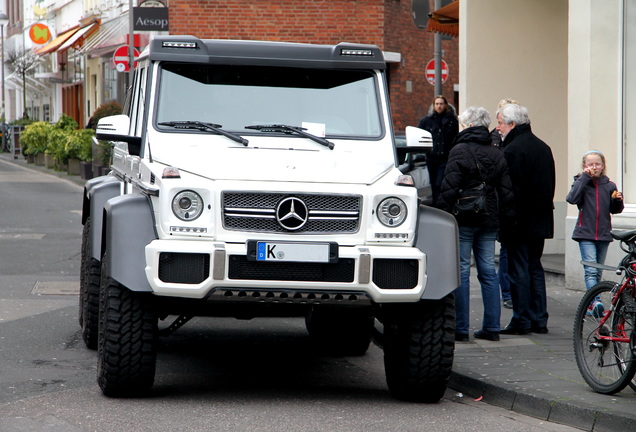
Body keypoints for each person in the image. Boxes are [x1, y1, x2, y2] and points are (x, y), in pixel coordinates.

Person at [437, 106, 514, 342]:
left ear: (468, 125)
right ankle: (492, 327)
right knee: (489, 272)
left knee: (461, 271)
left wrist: (439, 216)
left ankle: (461, 329)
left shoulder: (459, 150)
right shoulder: (496, 151)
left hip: (464, 218)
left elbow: (449, 187)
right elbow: (506, 191)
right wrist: (505, 220)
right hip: (489, 219)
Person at [497, 104, 555, 335]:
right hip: (540, 219)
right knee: (534, 268)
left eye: (500, 122)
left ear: (512, 124)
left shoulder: (512, 150)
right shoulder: (543, 147)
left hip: (519, 221)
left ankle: (521, 319)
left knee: (519, 270)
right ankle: (539, 319)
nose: (498, 127)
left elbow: (509, 192)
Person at [566, 150, 624, 314]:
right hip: (585, 234)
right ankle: (596, 301)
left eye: (597, 164)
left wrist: (617, 200)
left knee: (597, 272)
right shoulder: (581, 182)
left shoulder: (609, 185)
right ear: (585, 166)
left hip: (604, 234)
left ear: (603, 166)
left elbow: (615, 210)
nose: (594, 167)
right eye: (590, 164)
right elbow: (572, 199)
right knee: (590, 270)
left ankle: (592, 304)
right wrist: (584, 178)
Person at [490, 99, 518, 310]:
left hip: (509, 205)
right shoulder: (495, 139)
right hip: (500, 205)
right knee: (505, 253)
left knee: (509, 252)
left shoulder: (514, 141)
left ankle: (510, 292)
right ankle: (506, 292)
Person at [417, 95, 459, 205]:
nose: (439, 106)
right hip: (431, 158)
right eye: (437, 104)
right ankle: (436, 204)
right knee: (433, 183)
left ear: (445, 105)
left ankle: (440, 204)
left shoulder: (452, 121)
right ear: (433, 105)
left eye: (441, 104)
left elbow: (456, 138)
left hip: (445, 157)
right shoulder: (426, 121)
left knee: (440, 183)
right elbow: (418, 136)